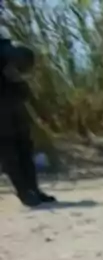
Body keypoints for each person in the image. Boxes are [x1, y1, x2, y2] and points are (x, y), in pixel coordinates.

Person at [0, 38, 54, 207]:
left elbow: (24, 86)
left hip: (16, 112)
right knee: (10, 156)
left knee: (25, 152)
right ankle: (24, 193)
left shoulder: (7, 48)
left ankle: (33, 190)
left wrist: (40, 112)